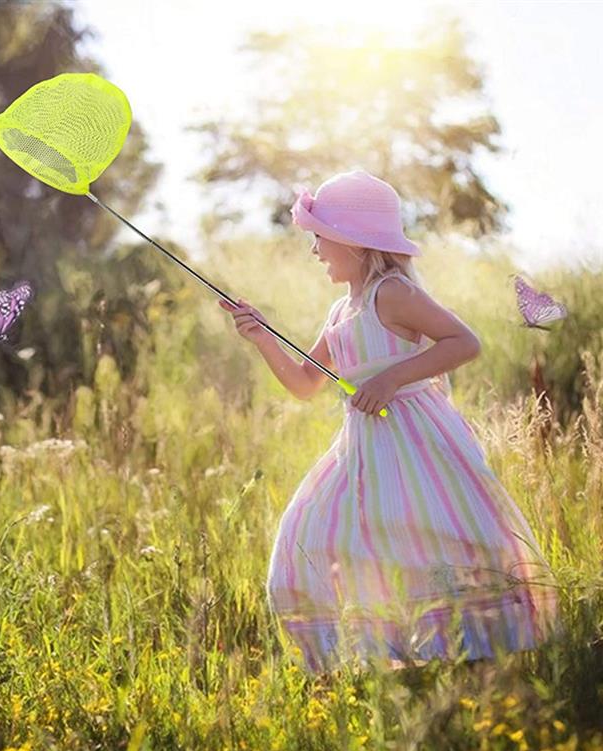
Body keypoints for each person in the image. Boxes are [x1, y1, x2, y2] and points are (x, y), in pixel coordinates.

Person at [219, 169, 563, 674]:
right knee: (309, 532)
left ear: (353, 242)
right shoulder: (341, 312)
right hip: (362, 450)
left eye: (320, 238)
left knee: (428, 535)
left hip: (417, 443)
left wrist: (391, 379)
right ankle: (381, 651)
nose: (315, 251)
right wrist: (264, 337)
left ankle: (473, 656)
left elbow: (465, 343)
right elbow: (304, 383)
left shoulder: (392, 293)